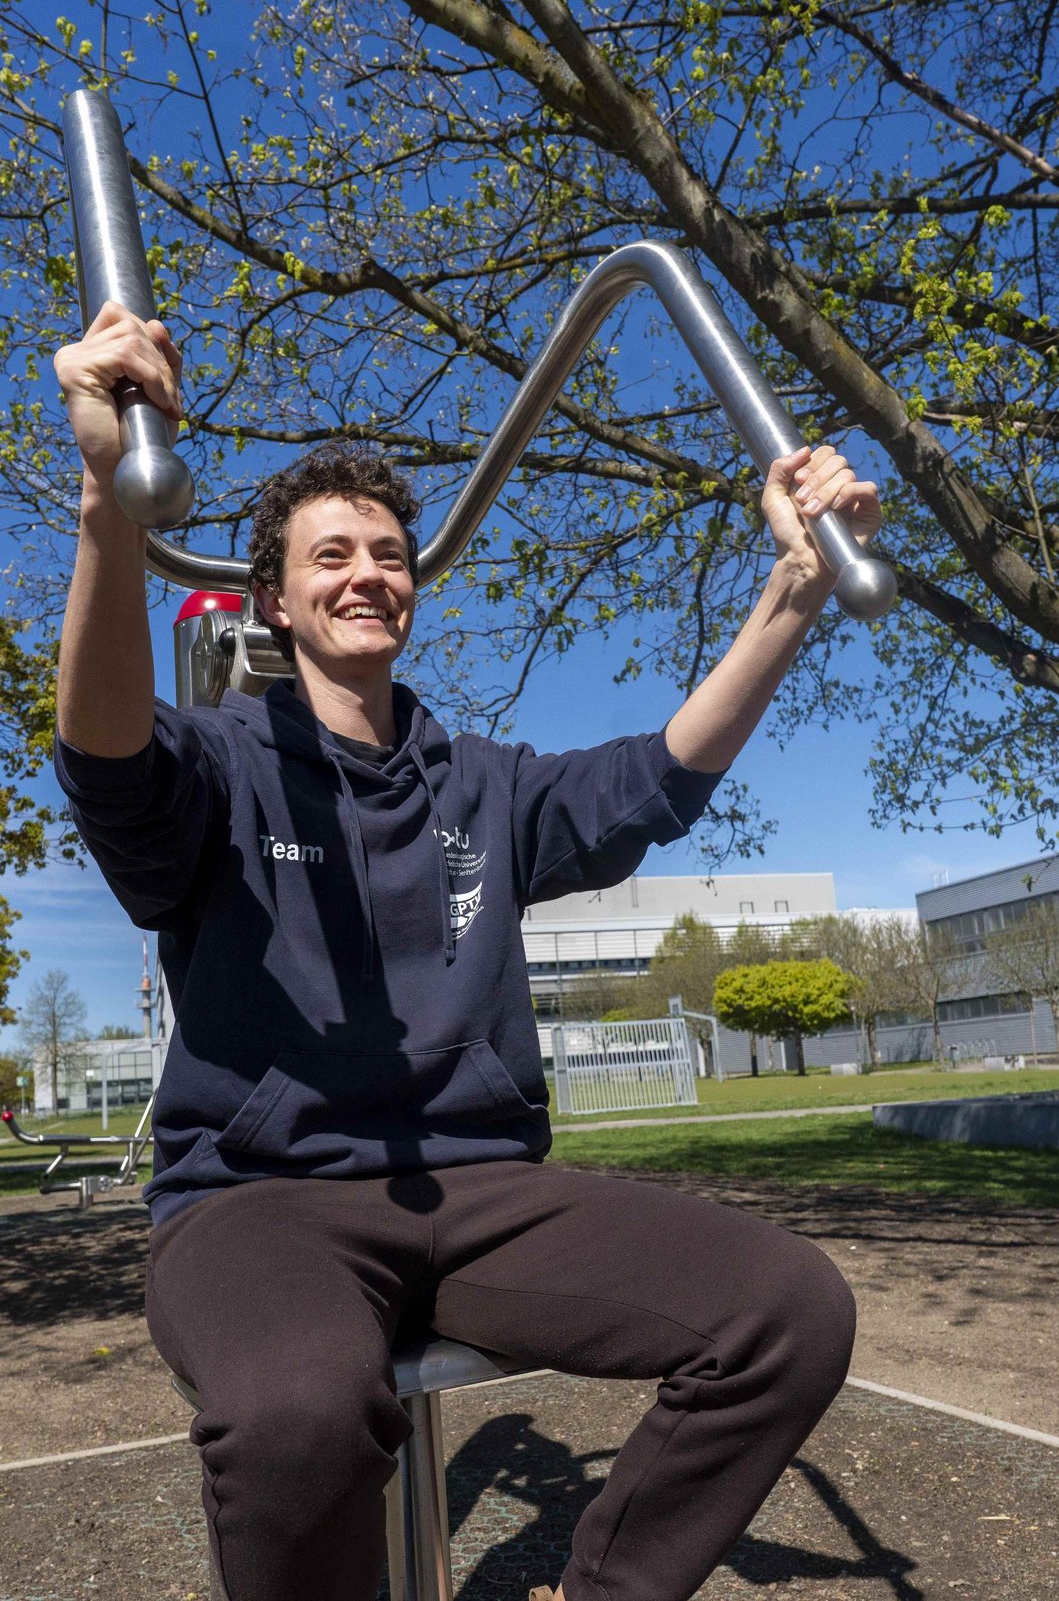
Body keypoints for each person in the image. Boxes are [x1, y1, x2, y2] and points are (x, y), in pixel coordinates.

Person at [53, 299, 881, 1601]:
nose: (366, 574)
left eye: (388, 554)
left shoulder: (483, 784)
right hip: (259, 1202)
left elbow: (656, 781)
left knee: (788, 1312)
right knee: (297, 1414)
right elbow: (105, 751)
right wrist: (110, 495)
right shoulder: (221, 765)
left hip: (479, 1192)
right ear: (274, 601)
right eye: (331, 555)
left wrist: (793, 590)